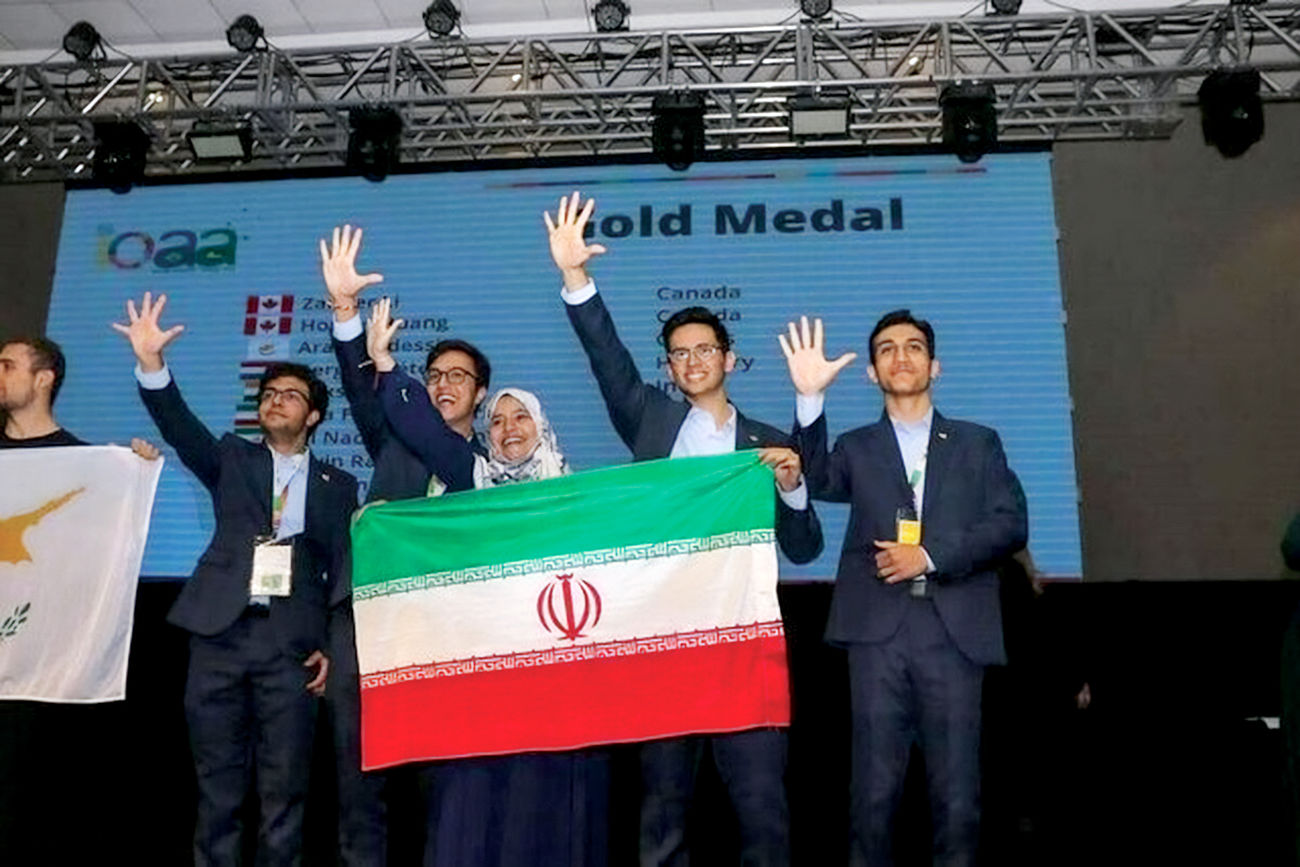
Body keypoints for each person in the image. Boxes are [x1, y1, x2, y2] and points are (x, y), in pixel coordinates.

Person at [545, 191, 823, 867]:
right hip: (665, 644)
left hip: (744, 646)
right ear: (668, 368)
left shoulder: (767, 442)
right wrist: (576, 277)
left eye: (704, 349)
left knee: (762, 810)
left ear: (729, 358)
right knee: (663, 813)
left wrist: (792, 485)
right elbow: (608, 358)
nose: (692, 360)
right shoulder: (650, 421)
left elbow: (804, 546)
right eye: (678, 353)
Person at [113, 291, 359, 867]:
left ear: (313, 416)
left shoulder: (339, 485)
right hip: (218, 636)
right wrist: (151, 362)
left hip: (290, 647)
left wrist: (330, 645)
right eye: (268, 394)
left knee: (284, 791)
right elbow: (178, 426)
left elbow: (342, 571)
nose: (275, 401)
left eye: (290, 395)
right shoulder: (230, 458)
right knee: (217, 788)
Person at [780, 312, 1027, 867]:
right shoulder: (857, 446)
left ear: (934, 366)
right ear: (872, 372)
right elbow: (813, 477)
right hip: (877, 636)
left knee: (957, 797)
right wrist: (809, 399)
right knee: (872, 794)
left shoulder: (978, 443)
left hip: (953, 634)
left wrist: (929, 555)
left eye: (914, 347)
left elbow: (1010, 523)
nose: (901, 356)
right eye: (887, 349)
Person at [367, 296, 608, 867]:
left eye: (520, 417)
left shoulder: (576, 496)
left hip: (554, 674)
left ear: (541, 426)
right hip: (480, 672)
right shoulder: (473, 478)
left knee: (546, 798)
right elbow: (424, 431)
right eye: (497, 421)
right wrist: (385, 366)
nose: (508, 428)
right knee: (473, 798)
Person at [319, 225, 493, 865]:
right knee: (357, 770)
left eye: (458, 376)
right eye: (435, 374)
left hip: (447, 625)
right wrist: (345, 310)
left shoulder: (488, 470)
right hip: (367, 618)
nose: (444, 383)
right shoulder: (392, 442)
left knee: (441, 776)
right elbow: (359, 387)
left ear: (480, 393)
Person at [0, 335, 159, 864]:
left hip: (41, 675)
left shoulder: (85, 466)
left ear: (44, 378)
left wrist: (134, 475)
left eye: (7, 365)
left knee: (29, 807)